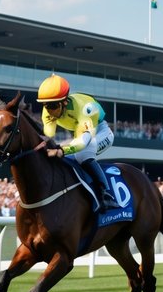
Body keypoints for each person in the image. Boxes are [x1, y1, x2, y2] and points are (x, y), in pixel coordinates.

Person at [36, 74, 117, 212]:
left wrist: (62, 150)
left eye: (53, 105)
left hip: (101, 132)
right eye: (45, 105)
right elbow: (48, 136)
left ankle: (106, 195)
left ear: (65, 102)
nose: (49, 110)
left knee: (83, 154)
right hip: (79, 133)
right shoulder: (48, 111)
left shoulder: (85, 108)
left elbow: (83, 142)